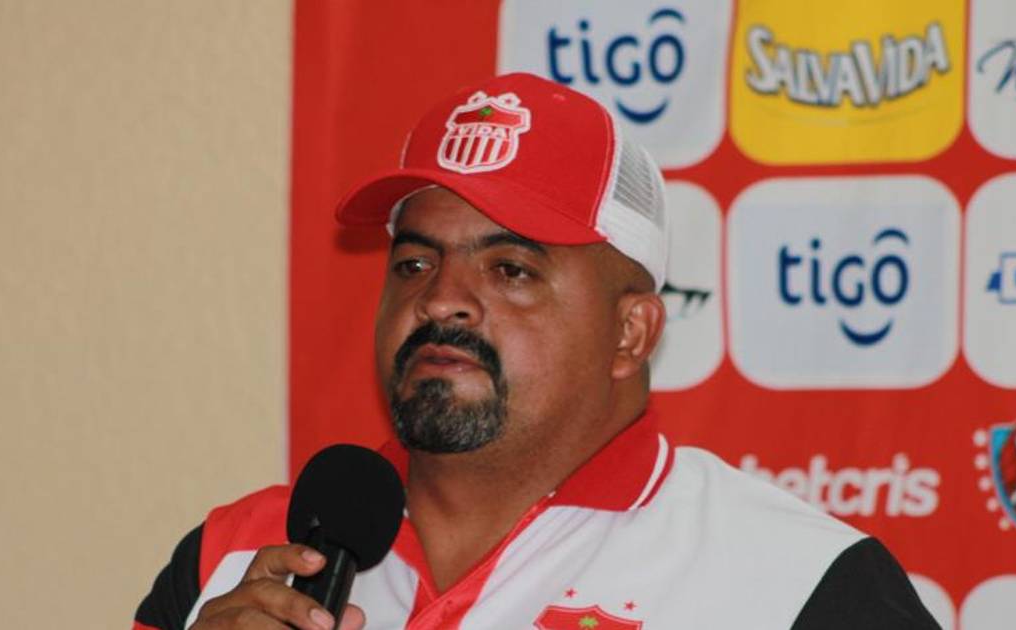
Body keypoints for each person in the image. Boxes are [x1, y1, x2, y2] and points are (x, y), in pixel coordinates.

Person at [135, 73, 940, 630]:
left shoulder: (797, 584)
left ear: (631, 332)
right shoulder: (233, 556)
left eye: (511, 269)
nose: (440, 299)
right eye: (414, 263)